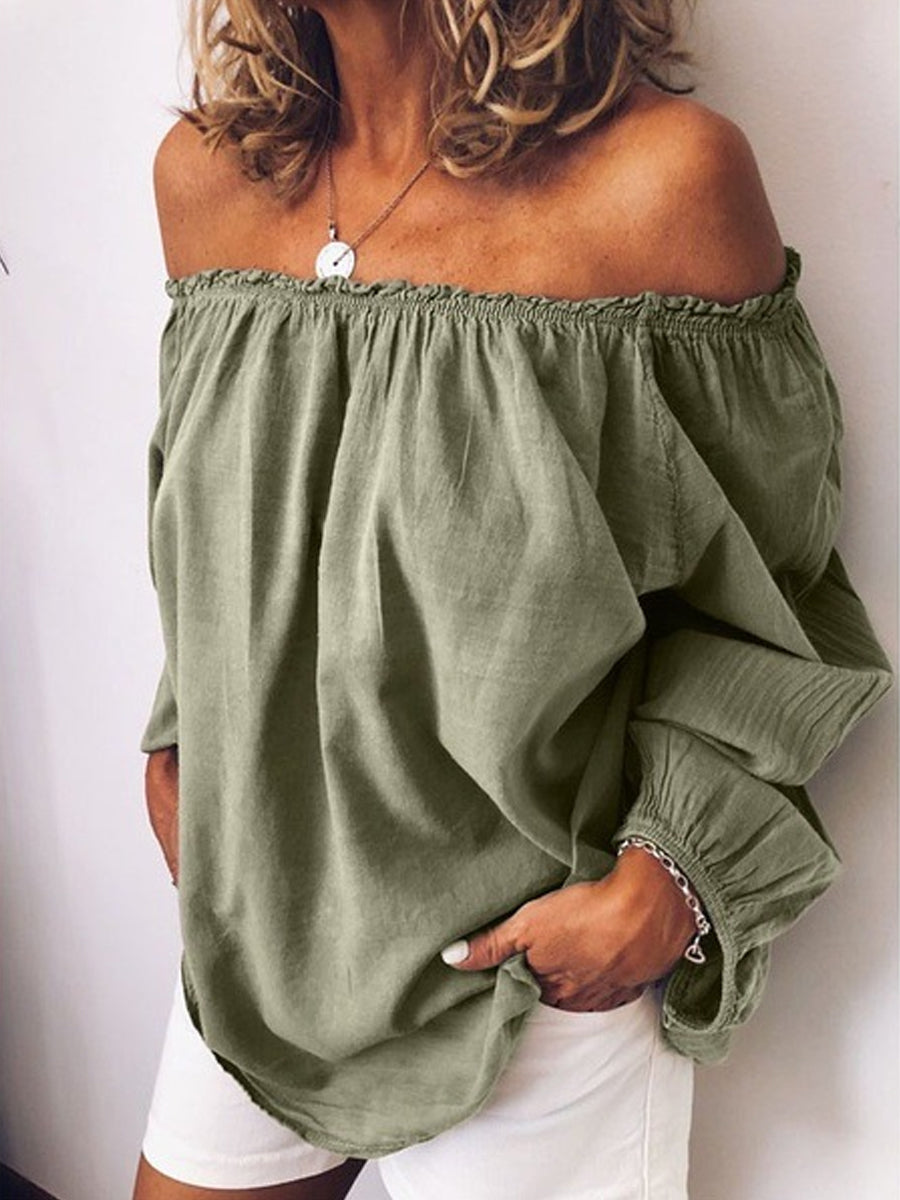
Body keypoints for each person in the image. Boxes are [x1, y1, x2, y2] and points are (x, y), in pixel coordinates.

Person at [131, 0, 895, 1197]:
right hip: (259, 937)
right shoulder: (206, 180)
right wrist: (184, 732)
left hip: (526, 982)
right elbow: (238, 520)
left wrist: (669, 875)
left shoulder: (662, 187)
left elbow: (772, 593)